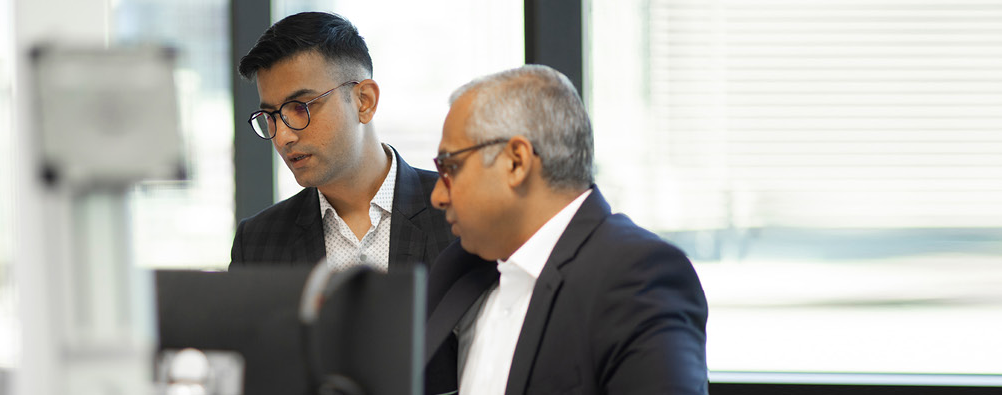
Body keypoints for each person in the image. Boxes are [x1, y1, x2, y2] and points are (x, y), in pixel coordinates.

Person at [424, 65, 709, 394]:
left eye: (450, 167)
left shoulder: (638, 275)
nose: (437, 196)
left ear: (516, 161)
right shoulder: (458, 268)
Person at [228, 12, 453, 272]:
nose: (282, 137)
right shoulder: (258, 243)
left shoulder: (458, 211)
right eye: (271, 116)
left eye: (300, 107)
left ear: (364, 101)